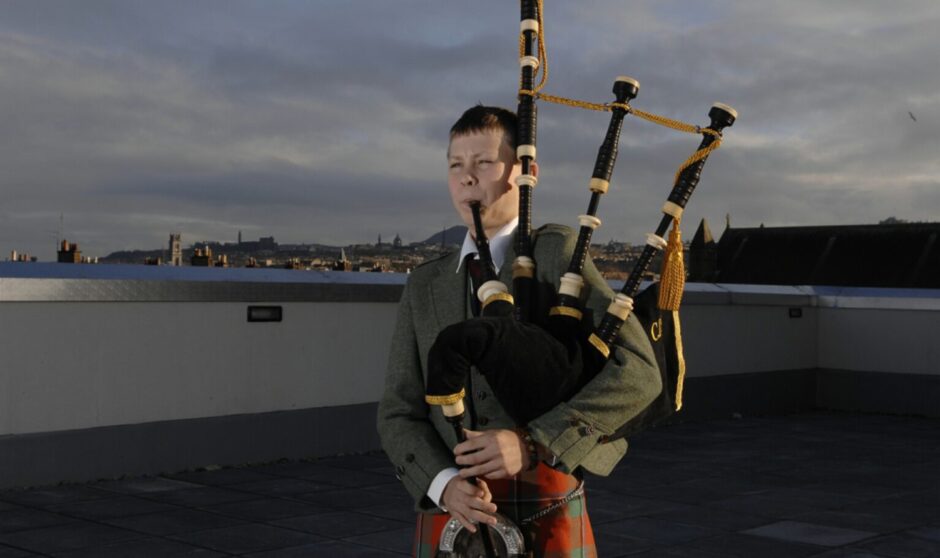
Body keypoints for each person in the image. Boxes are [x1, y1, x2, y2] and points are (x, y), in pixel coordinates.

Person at [377, 105, 662, 557]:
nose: (467, 178)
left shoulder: (558, 255)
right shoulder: (424, 284)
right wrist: (442, 483)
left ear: (523, 172)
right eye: (455, 165)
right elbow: (398, 411)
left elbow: (640, 372)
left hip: (542, 501)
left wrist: (535, 441)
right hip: (452, 515)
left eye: (483, 163)